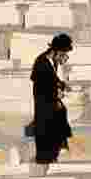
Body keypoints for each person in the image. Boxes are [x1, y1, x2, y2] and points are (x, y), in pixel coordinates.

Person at [31, 33, 74, 164]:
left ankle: (58, 151)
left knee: (61, 115)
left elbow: (52, 78)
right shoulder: (41, 63)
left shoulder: (51, 62)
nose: (63, 57)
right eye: (62, 54)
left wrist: (61, 84)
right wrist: (56, 95)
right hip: (44, 107)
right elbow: (41, 87)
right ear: (55, 51)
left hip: (50, 105)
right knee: (46, 140)